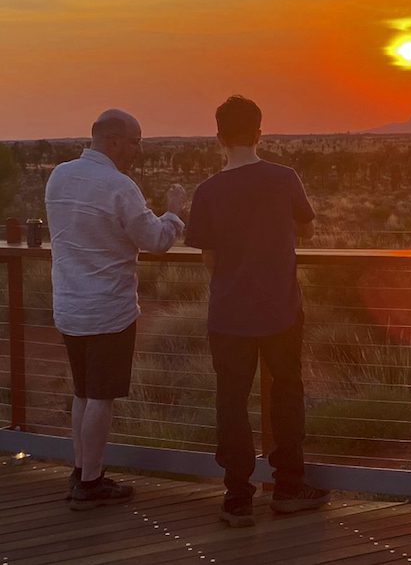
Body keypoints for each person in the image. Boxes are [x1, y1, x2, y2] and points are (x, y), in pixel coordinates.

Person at [185, 95, 328, 528]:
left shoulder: (207, 191)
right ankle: (288, 487)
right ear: (259, 132)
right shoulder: (284, 179)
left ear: (219, 138)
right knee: (286, 392)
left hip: (229, 313)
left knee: (231, 400)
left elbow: (208, 257)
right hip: (281, 308)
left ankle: (237, 496)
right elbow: (305, 225)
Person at [45, 109, 187, 510]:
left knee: (83, 392)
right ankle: (91, 483)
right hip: (108, 309)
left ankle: (80, 468)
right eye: (135, 141)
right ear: (112, 142)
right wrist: (174, 209)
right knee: (102, 397)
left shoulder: (59, 176)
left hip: (69, 305)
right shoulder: (119, 187)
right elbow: (156, 239)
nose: (139, 150)